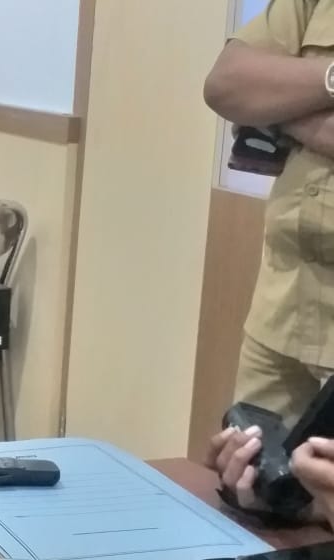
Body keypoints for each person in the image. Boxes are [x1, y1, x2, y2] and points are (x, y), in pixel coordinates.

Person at [203, 0, 334, 525]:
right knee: (256, 492)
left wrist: (284, 109)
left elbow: (260, 102)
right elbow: (229, 84)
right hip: (285, 304)